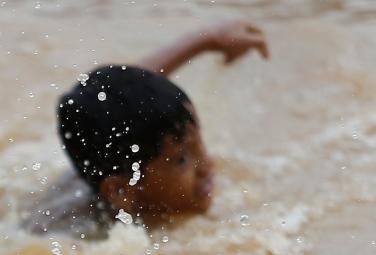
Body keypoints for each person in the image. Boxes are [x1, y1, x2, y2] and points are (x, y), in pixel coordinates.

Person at [24, 20, 270, 238]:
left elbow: (128, 90)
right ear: (122, 190)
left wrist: (208, 39)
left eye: (199, 144)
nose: (207, 165)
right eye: (182, 159)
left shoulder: (119, 161)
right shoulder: (85, 241)